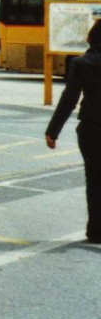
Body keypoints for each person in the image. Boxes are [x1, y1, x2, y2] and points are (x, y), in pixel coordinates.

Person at [46, 17, 101, 244]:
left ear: (91, 38)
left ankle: (96, 230)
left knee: (95, 179)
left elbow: (69, 99)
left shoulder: (81, 63)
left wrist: (53, 131)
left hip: (91, 128)